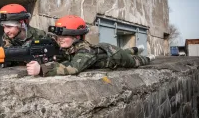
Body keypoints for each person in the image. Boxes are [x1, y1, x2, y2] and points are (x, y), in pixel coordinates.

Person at [26, 15, 155, 76]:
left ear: (77, 36)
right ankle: (135, 49)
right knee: (128, 51)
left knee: (137, 60)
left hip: (115, 56)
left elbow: (74, 68)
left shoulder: (85, 50)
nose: (59, 39)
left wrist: (43, 69)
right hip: (103, 49)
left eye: (64, 36)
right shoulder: (67, 46)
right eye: (58, 36)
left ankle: (149, 56)